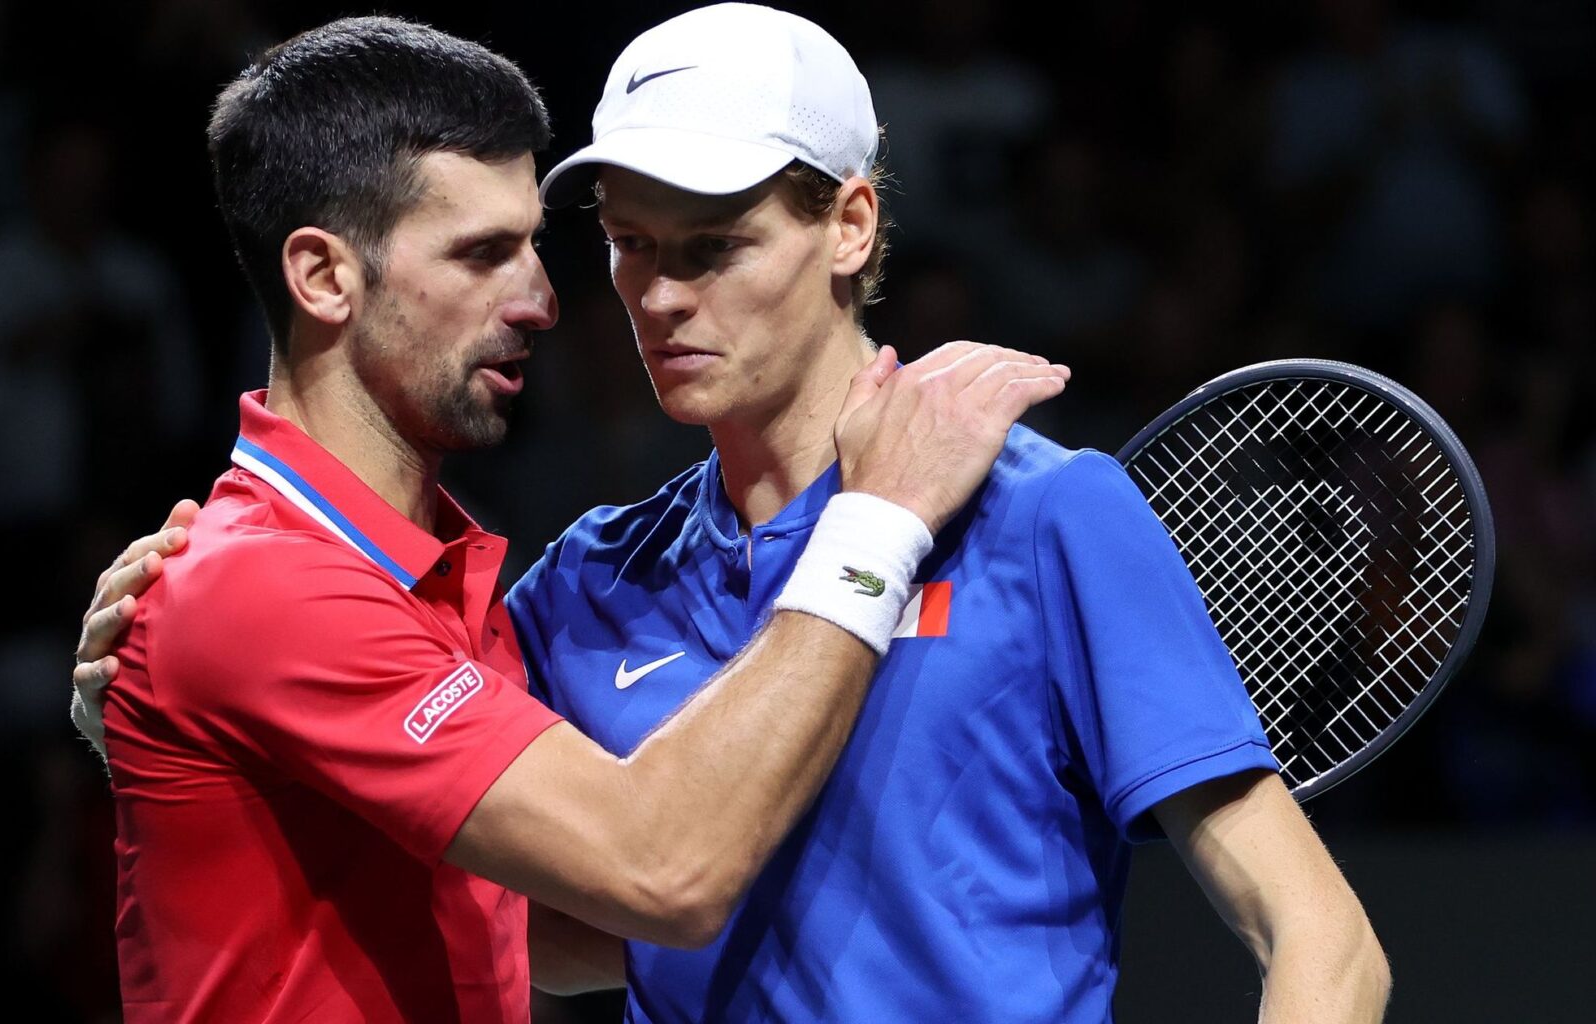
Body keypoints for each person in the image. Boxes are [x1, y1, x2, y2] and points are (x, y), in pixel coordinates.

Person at [77, 5, 1388, 1021]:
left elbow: (1321, 942)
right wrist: (189, 735)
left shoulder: (1047, 518)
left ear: (851, 226)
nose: (654, 298)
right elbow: (556, 899)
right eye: (631, 244)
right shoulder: (581, 588)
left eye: (712, 245)